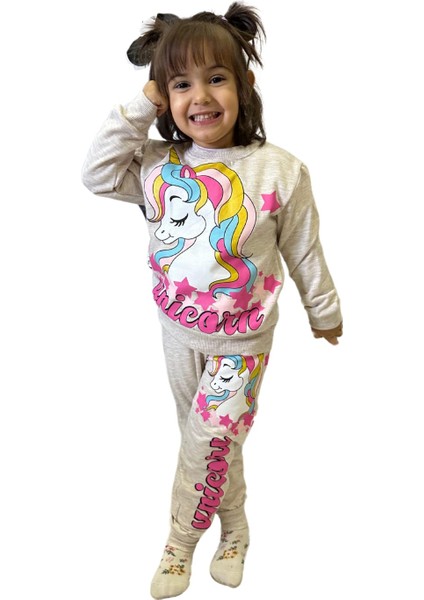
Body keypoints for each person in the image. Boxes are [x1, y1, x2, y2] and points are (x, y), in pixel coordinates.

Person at [82, 3, 343, 598]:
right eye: (180, 84)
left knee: (209, 441)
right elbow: (96, 174)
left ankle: (179, 544)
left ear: (243, 84)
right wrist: (143, 102)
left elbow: (304, 248)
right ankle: (236, 527)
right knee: (207, 443)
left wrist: (324, 312)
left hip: (242, 342)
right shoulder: (158, 166)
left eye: (216, 78)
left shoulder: (280, 171)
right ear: (164, 96)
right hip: (177, 333)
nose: (200, 96)